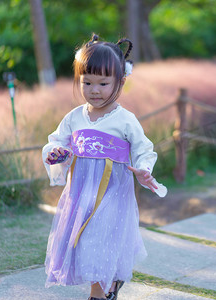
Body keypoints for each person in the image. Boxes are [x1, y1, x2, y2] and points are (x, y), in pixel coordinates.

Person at [42, 33, 164, 300]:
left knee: (98, 242)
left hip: (112, 194)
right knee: (84, 243)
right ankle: (109, 285)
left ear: (120, 82)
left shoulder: (125, 120)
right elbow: (56, 143)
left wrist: (144, 169)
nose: (94, 90)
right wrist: (55, 153)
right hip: (80, 194)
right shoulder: (74, 117)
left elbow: (145, 148)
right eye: (87, 82)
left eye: (103, 83)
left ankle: (98, 295)